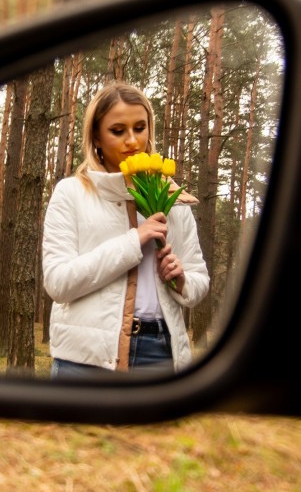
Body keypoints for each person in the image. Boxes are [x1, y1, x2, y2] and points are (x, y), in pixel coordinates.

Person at [42, 81, 210, 377]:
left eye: (140, 128)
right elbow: (58, 283)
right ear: (96, 135)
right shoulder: (72, 193)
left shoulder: (175, 200)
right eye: (117, 131)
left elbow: (199, 280)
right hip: (85, 359)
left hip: (160, 352)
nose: (132, 141)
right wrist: (134, 241)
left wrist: (181, 279)